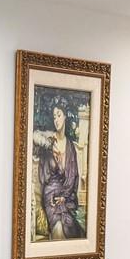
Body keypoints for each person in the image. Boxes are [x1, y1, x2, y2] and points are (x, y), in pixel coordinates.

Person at [33, 103, 84, 240]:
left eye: (59, 115)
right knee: (59, 227)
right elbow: (34, 135)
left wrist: (65, 197)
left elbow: (73, 177)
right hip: (50, 195)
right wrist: (50, 146)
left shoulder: (70, 146)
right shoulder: (50, 137)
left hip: (65, 196)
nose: (56, 119)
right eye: (54, 116)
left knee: (73, 228)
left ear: (65, 116)